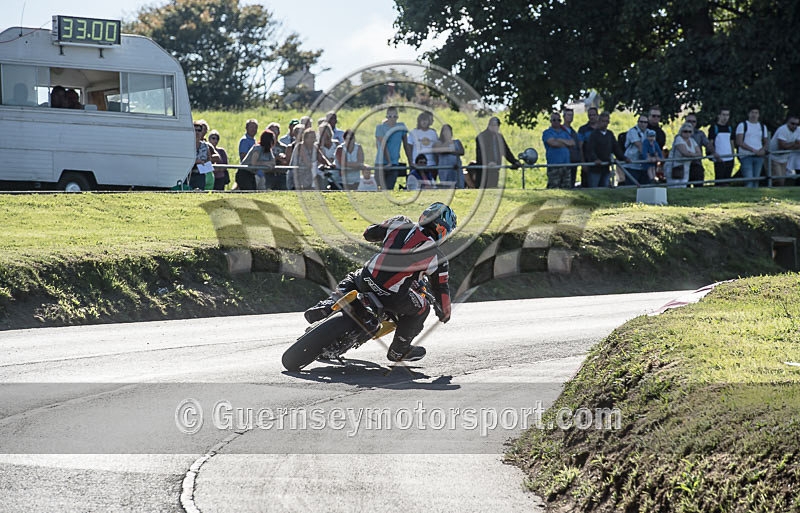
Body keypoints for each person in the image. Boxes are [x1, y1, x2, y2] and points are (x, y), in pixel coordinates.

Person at [303, 202, 456, 362]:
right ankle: (399, 350)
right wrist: (444, 312)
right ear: (443, 231)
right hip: (392, 296)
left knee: (353, 278)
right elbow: (441, 290)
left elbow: (368, 233)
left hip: (367, 278)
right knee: (422, 309)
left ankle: (327, 306)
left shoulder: (401, 223)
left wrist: (386, 235)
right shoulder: (437, 258)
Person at [584, 112, 629, 187]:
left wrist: (624, 158)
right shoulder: (593, 134)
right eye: (603, 121)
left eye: (606, 121)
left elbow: (616, 148)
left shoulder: (610, 134)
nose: (605, 124)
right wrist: (595, 159)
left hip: (606, 167)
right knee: (594, 189)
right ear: (599, 121)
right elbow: (590, 149)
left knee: (605, 187)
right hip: (595, 169)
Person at [473, 117, 520, 188]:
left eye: (497, 126)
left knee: (493, 189)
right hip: (484, 170)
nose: (496, 127)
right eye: (494, 125)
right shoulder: (482, 136)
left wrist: (514, 161)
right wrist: (488, 162)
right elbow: (480, 154)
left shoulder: (499, 137)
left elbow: (506, 151)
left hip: (495, 169)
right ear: (489, 125)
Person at [375, 106, 410, 190]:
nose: (392, 118)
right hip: (381, 163)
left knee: (389, 189)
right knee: (379, 189)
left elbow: (406, 145)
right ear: (386, 117)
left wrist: (410, 162)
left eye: (394, 116)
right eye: (389, 116)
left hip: (394, 163)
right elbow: (383, 145)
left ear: (397, 117)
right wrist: (389, 162)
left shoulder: (401, 126)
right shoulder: (380, 128)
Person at [735, 106, 769, 188]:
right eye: (752, 113)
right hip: (746, 155)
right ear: (748, 114)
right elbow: (739, 142)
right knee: (749, 179)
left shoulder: (762, 126)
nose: (754, 115)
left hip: (759, 156)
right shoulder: (743, 125)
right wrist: (753, 150)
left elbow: (766, 141)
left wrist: (762, 150)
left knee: (756, 179)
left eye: (756, 113)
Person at [542, 112, 574, 189]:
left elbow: (572, 143)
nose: (557, 122)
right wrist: (565, 144)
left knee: (566, 188)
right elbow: (552, 143)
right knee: (553, 188)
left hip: (566, 165)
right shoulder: (547, 132)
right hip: (554, 165)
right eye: (554, 120)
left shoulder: (564, 132)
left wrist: (559, 140)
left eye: (559, 120)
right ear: (551, 121)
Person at [768, 114, 800, 186]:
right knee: (778, 179)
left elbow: (798, 145)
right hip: (774, 157)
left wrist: (790, 145)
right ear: (787, 122)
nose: (795, 126)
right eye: (792, 123)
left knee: (782, 179)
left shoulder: (798, 130)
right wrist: (794, 143)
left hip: (784, 158)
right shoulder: (782, 129)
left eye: (797, 124)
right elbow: (782, 146)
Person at [667, 123, 702, 188]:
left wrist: (690, 154)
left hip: (686, 166)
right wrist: (693, 154)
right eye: (685, 131)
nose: (687, 133)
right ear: (681, 131)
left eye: (690, 131)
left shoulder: (692, 140)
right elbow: (685, 153)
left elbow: (699, 153)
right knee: (674, 186)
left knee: (683, 185)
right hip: (675, 166)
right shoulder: (678, 139)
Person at [708, 108, 735, 186]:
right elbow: (710, 143)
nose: (725, 117)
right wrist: (714, 154)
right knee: (719, 181)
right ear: (719, 116)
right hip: (719, 159)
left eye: (727, 115)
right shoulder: (714, 128)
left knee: (727, 181)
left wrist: (733, 156)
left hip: (729, 158)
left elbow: (732, 142)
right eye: (723, 115)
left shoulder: (730, 128)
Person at [432, 124, 465, 188]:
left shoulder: (457, 142)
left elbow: (462, 151)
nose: (446, 132)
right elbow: (439, 151)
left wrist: (450, 151)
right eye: (445, 130)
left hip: (456, 168)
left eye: (448, 130)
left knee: (459, 185)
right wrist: (447, 142)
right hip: (444, 169)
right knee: (446, 187)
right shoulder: (438, 143)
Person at [685, 113, 711, 187]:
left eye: (693, 121)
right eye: (689, 121)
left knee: (699, 187)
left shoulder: (700, 134)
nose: (691, 123)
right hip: (685, 165)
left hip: (697, 164)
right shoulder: (680, 134)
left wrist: (713, 152)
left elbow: (707, 144)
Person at [621, 116, 648, 185]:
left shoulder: (649, 132)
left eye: (645, 122)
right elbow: (639, 145)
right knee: (631, 187)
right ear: (638, 122)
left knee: (644, 188)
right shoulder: (632, 131)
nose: (643, 124)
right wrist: (649, 157)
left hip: (643, 165)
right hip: (631, 165)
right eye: (641, 122)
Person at [578, 107, 599, 187]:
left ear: (597, 115)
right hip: (588, 162)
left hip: (601, 164)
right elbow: (580, 147)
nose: (592, 117)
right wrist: (583, 163)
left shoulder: (602, 128)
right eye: (590, 115)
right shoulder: (583, 129)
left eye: (593, 115)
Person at [191, 122, 214, 190]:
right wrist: (196, 162)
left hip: (201, 174)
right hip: (189, 174)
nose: (197, 132)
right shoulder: (188, 144)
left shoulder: (204, 145)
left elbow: (209, 159)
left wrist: (204, 163)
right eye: (195, 130)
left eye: (199, 130)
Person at [563, 108, 582, 187]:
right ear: (564, 116)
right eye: (568, 115)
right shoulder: (561, 130)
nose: (570, 117)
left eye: (572, 115)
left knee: (571, 183)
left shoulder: (573, 132)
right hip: (564, 162)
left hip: (574, 161)